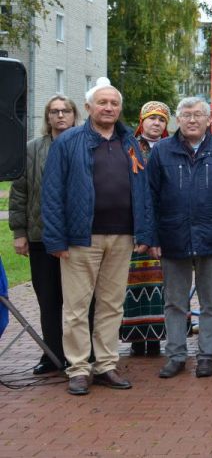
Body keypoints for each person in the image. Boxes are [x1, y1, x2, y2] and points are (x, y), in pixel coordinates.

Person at [41, 77, 154, 395]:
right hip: (80, 238)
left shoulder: (130, 142)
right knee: (76, 307)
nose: (108, 108)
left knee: (111, 305)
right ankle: (77, 368)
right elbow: (52, 193)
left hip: (122, 237)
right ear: (88, 107)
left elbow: (142, 189)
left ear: (120, 108)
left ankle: (105, 364)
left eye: (114, 103)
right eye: (102, 102)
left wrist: (143, 230)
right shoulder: (69, 141)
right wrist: (56, 239)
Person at [148, 97, 212, 379]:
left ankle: (206, 355)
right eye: (186, 115)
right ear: (177, 119)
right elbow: (149, 197)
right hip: (172, 236)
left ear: (209, 119)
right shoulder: (162, 151)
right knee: (175, 301)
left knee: (211, 301)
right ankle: (176, 355)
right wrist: (152, 237)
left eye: (198, 115)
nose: (192, 120)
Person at [9, 95, 79, 375]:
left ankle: (80, 356)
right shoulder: (32, 149)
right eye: (54, 111)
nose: (60, 115)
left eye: (65, 111)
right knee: (49, 300)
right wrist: (19, 232)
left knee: (79, 302)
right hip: (40, 237)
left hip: (77, 238)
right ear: (47, 117)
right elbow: (19, 193)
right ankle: (52, 355)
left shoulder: (85, 145)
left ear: (75, 115)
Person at [121, 101, 170, 357]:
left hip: (164, 225)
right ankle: (136, 339)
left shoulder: (171, 147)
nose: (156, 123)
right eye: (151, 118)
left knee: (163, 285)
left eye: (161, 120)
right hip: (135, 225)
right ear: (142, 121)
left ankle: (157, 340)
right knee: (134, 285)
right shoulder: (128, 146)